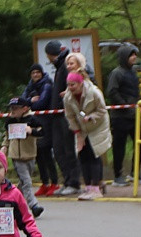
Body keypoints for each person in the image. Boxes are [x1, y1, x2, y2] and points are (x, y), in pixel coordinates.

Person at [63, 71, 112, 201]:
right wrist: (78, 133)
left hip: (97, 125)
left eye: (73, 84)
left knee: (94, 153)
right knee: (82, 154)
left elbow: (102, 110)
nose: (70, 88)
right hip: (82, 128)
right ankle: (89, 186)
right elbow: (70, 117)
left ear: (80, 83)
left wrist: (91, 117)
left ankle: (96, 187)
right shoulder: (67, 98)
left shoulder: (94, 93)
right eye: (68, 85)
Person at [45, 41, 82, 196]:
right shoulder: (60, 67)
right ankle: (67, 180)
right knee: (59, 149)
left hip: (65, 115)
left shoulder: (65, 67)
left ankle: (74, 182)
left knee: (67, 149)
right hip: (57, 115)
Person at [106, 44, 141, 186]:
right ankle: (118, 175)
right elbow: (112, 91)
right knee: (119, 146)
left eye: (135, 54)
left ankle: (135, 171)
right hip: (120, 116)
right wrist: (124, 105)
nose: (134, 57)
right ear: (124, 57)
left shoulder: (133, 72)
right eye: (131, 55)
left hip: (134, 115)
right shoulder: (117, 73)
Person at [3, 96, 45, 216]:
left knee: (24, 182)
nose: (13, 111)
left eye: (16, 108)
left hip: (30, 155)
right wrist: (5, 147)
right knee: (27, 181)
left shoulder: (32, 120)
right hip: (16, 156)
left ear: (25, 109)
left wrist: (31, 131)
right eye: (11, 108)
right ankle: (34, 205)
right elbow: (7, 136)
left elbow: (42, 132)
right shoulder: (10, 121)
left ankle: (11, 199)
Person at [21, 63, 58, 196]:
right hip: (34, 122)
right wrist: (31, 99)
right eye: (33, 73)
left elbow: (42, 103)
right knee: (39, 155)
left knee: (47, 153)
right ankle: (44, 183)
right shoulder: (30, 86)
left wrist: (30, 103)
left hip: (46, 122)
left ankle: (54, 182)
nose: (35, 75)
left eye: (38, 72)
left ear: (42, 73)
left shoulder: (47, 85)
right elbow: (22, 101)